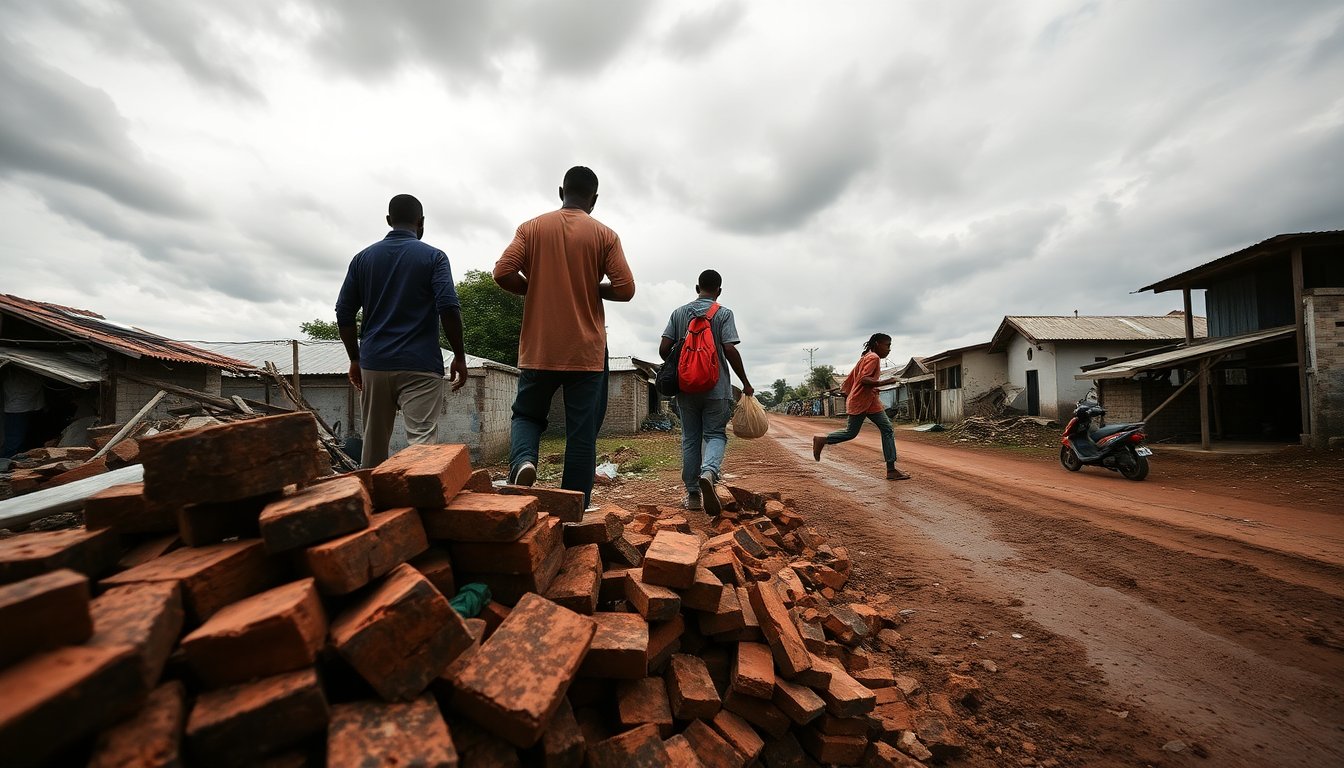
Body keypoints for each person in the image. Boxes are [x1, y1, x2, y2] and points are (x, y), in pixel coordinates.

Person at [493, 166, 635, 507]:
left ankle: (524, 462)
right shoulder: (605, 235)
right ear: (594, 200)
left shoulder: (531, 228)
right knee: (581, 433)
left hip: (540, 347)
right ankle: (574, 509)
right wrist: (589, 287)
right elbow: (626, 289)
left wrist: (536, 286)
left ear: (561, 191)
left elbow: (502, 272)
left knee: (527, 415)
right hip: (586, 352)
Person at [335, 194, 467, 468]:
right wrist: (459, 356)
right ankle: (420, 505)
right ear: (421, 223)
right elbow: (448, 306)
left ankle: (371, 505)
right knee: (422, 447)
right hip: (420, 365)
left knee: (372, 447)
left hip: (375, 363)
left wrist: (355, 359)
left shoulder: (363, 259)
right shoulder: (434, 257)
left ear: (388, 220)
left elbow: (344, 312)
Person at [660, 269, 753, 514]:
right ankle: (709, 472)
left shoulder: (679, 313)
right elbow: (730, 349)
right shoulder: (723, 313)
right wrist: (744, 382)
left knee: (691, 439)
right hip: (717, 388)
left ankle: (692, 494)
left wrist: (679, 363)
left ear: (696, 288)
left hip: (685, 389)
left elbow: (663, 348)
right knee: (715, 435)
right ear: (719, 291)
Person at [812, 333, 909, 480]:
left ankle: (891, 470)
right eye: (887, 345)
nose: (889, 349)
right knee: (851, 433)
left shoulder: (867, 357)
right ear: (877, 344)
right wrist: (886, 381)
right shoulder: (873, 357)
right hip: (861, 400)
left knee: (887, 429)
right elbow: (864, 380)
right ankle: (822, 439)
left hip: (870, 401)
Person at [2, 366, 46, 458]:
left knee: (29, 440)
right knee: (14, 442)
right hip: (18, 406)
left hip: (33, 404)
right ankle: (7, 465)